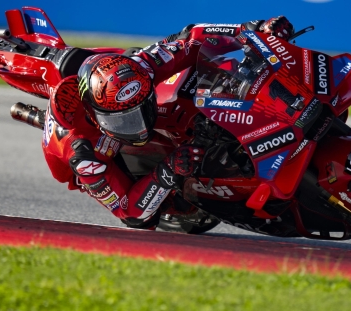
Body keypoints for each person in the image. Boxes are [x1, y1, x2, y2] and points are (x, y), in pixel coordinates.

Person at [40, 16, 294, 229]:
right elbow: (132, 215)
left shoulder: (145, 66)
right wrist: (166, 171)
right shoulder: (84, 156)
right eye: (124, 121)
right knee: (176, 205)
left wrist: (250, 30)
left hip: (116, 74)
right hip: (92, 154)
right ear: (94, 114)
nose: (138, 127)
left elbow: (193, 36)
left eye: (140, 111)